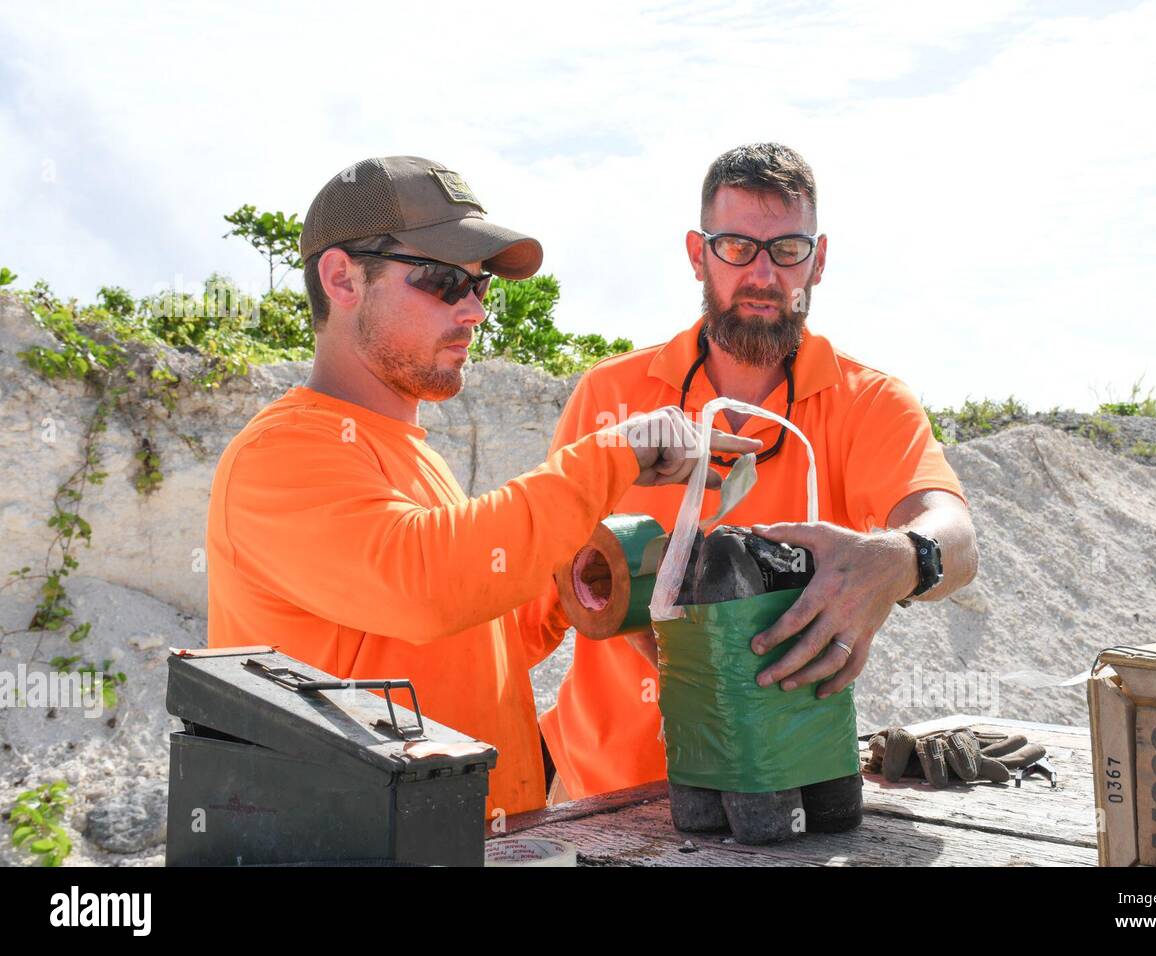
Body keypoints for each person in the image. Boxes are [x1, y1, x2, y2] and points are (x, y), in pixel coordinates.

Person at [204, 155, 759, 819]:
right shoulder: (281, 456)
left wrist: (581, 578)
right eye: (442, 281)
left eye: (479, 286)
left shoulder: (410, 457)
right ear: (342, 278)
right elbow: (426, 585)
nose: (472, 310)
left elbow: (481, 638)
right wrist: (611, 457)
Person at [523, 143, 980, 802]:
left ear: (818, 260)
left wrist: (899, 557)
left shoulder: (870, 403)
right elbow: (538, 596)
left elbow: (957, 537)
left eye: (787, 250)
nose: (763, 273)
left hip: (777, 790)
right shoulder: (609, 396)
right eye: (736, 246)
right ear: (697, 254)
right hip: (600, 792)